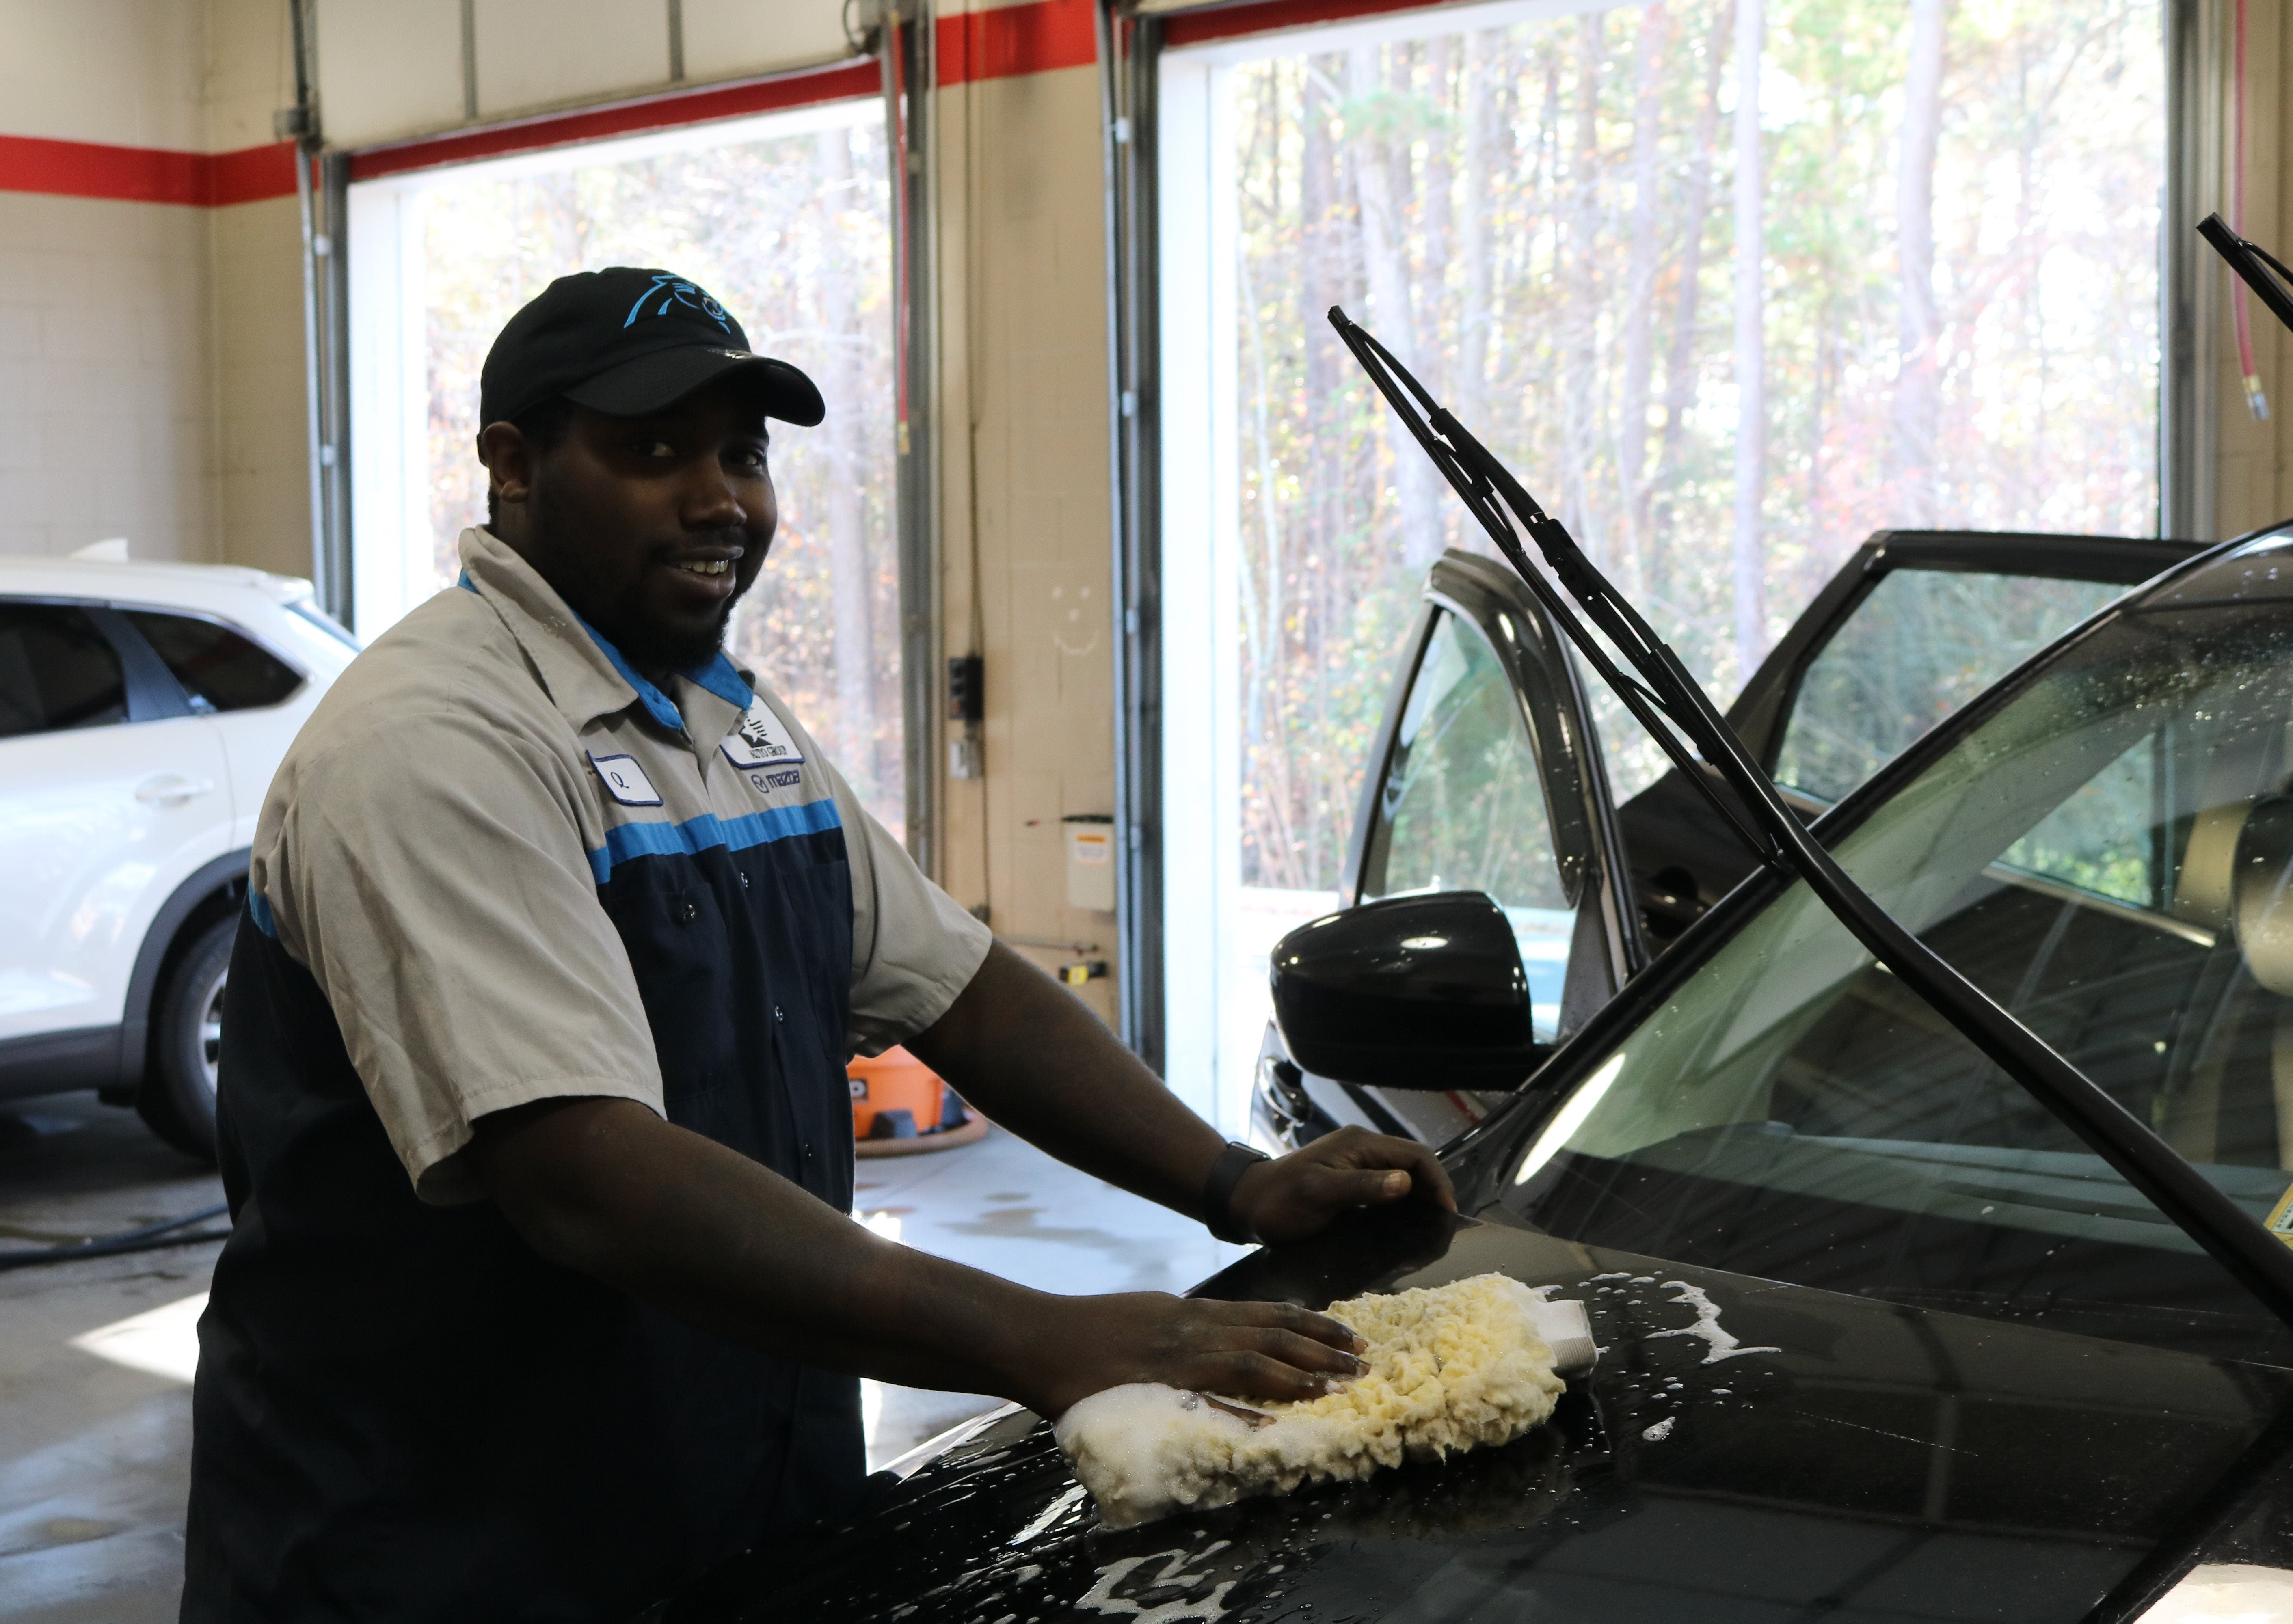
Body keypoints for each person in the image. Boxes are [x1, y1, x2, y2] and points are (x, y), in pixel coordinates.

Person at [180, 267, 1452, 1621]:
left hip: (737, 1511)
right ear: (512, 464)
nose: (721, 498)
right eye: (653, 450)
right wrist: (1050, 1337)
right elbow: (580, 1173)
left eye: (742, 455)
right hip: (445, 1549)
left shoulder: (728, 723)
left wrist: (1236, 1185)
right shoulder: (436, 743)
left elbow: (958, 991)